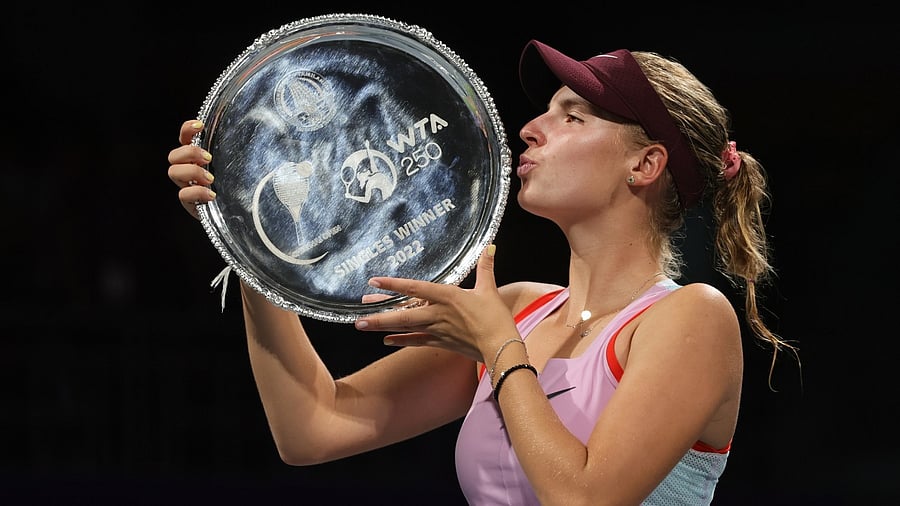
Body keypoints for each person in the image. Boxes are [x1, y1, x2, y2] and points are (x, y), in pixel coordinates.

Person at [167, 38, 795, 505]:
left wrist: (498, 348)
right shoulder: (517, 309)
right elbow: (312, 428)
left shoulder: (692, 318)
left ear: (645, 164)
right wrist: (252, 246)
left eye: (572, 116)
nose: (530, 128)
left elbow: (585, 499)